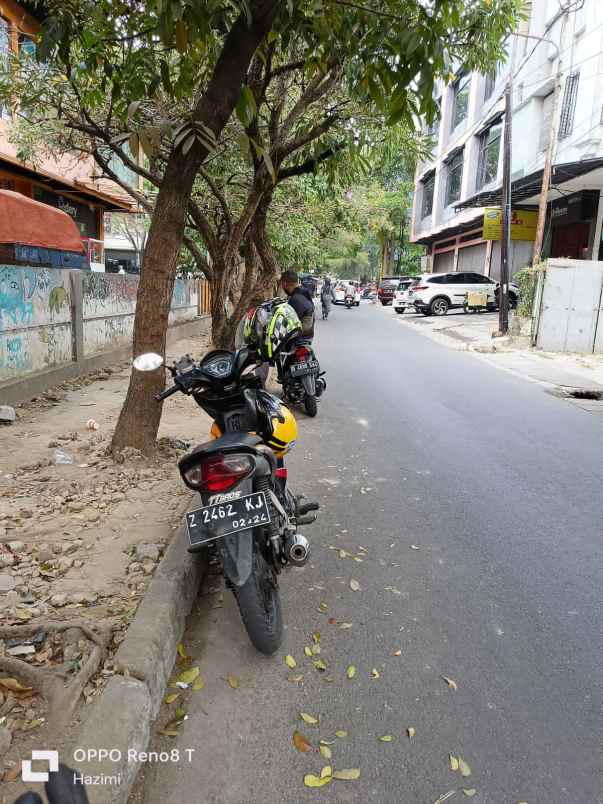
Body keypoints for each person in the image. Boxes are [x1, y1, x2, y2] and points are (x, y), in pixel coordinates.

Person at [281, 270, 315, 338]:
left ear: (284, 283)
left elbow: (288, 321)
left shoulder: (295, 299)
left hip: (301, 334)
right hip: (309, 333)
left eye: (281, 283)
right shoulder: (304, 291)